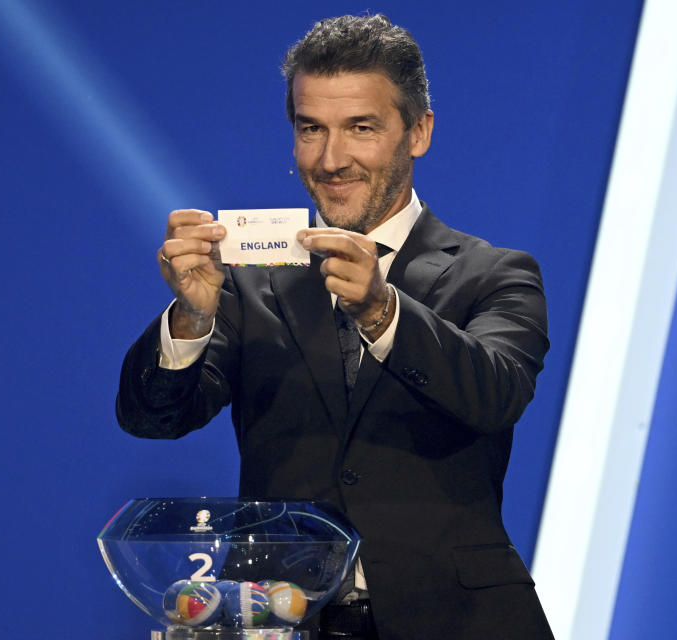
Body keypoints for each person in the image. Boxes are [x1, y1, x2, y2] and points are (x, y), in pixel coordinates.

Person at [116, 14, 553, 640]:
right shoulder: (250, 281)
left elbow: (496, 394)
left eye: (361, 128)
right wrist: (191, 315)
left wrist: (382, 310)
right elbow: (154, 418)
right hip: (282, 619)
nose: (331, 158)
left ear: (419, 131)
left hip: (457, 621)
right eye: (310, 129)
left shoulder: (496, 274)